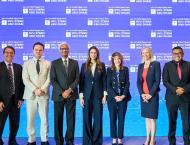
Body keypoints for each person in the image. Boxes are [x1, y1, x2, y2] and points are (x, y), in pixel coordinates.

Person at [50, 42, 79, 145]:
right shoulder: (54, 63)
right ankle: (59, 141)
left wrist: (69, 90)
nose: (64, 50)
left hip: (71, 95)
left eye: (66, 48)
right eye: (62, 49)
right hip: (58, 95)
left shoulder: (75, 63)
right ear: (59, 50)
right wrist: (62, 92)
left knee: (71, 120)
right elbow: (53, 80)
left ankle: (70, 140)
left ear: (69, 50)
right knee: (58, 120)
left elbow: (77, 79)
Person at [22, 42, 51, 145]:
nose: (38, 51)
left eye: (40, 50)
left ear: (43, 51)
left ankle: (44, 139)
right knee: (30, 119)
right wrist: (35, 90)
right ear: (33, 50)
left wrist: (42, 89)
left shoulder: (48, 63)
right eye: (36, 50)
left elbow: (49, 79)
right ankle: (31, 139)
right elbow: (25, 79)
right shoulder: (26, 63)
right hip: (30, 95)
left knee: (44, 119)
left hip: (43, 95)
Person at [162, 46, 190, 145]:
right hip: (171, 97)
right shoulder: (167, 65)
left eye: (179, 53)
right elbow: (165, 81)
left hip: (186, 98)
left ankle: (187, 142)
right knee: (172, 121)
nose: (177, 55)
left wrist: (184, 89)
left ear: (182, 54)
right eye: (175, 53)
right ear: (172, 54)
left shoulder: (188, 65)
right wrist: (175, 90)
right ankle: (172, 142)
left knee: (186, 122)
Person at [79, 46, 107, 145]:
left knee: (98, 118)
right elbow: (81, 82)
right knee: (86, 118)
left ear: (97, 54)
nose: (93, 54)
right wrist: (81, 96)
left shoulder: (102, 65)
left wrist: (105, 95)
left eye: (95, 52)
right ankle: (87, 141)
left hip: (98, 96)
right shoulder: (84, 65)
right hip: (86, 96)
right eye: (91, 52)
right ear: (89, 54)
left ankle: (96, 140)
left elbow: (104, 81)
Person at [0, 46, 24, 145]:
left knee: (15, 124)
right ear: (3, 53)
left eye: (11, 52)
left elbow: (22, 84)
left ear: (14, 54)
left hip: (15, 101)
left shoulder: (18, 67)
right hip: (3, 101)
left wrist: (21, 99)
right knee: (0, 123)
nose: (9, 54)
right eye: (7, 52)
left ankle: (12, 140)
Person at [137, 47, 161, 145]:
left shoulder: (156, 64)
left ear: (150, 53)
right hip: (143, 96)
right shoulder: (140, 66)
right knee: (147, 119)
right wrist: (142, 94)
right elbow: (138, 82)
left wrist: (150, 94)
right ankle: (147, 139)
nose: (145, 54)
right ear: (141, 54)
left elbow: (157, 81)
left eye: (147, 52)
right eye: (143, 53)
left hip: (152, 96)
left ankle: (152, 140)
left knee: (152, 119)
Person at [107, 52, 131, 145]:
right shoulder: (109, 70)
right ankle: (114, 138)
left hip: (123, 98)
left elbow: (127, 83)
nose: (117, 60)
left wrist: (123, 96)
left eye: (119, 58)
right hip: (112, 98)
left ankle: (120, 138)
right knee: (112, 118)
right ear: (113, 60)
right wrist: (115, 96)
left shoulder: (125, 69)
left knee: (121, 118)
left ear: (121, 60)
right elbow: (108, 85)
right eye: (115, 59)